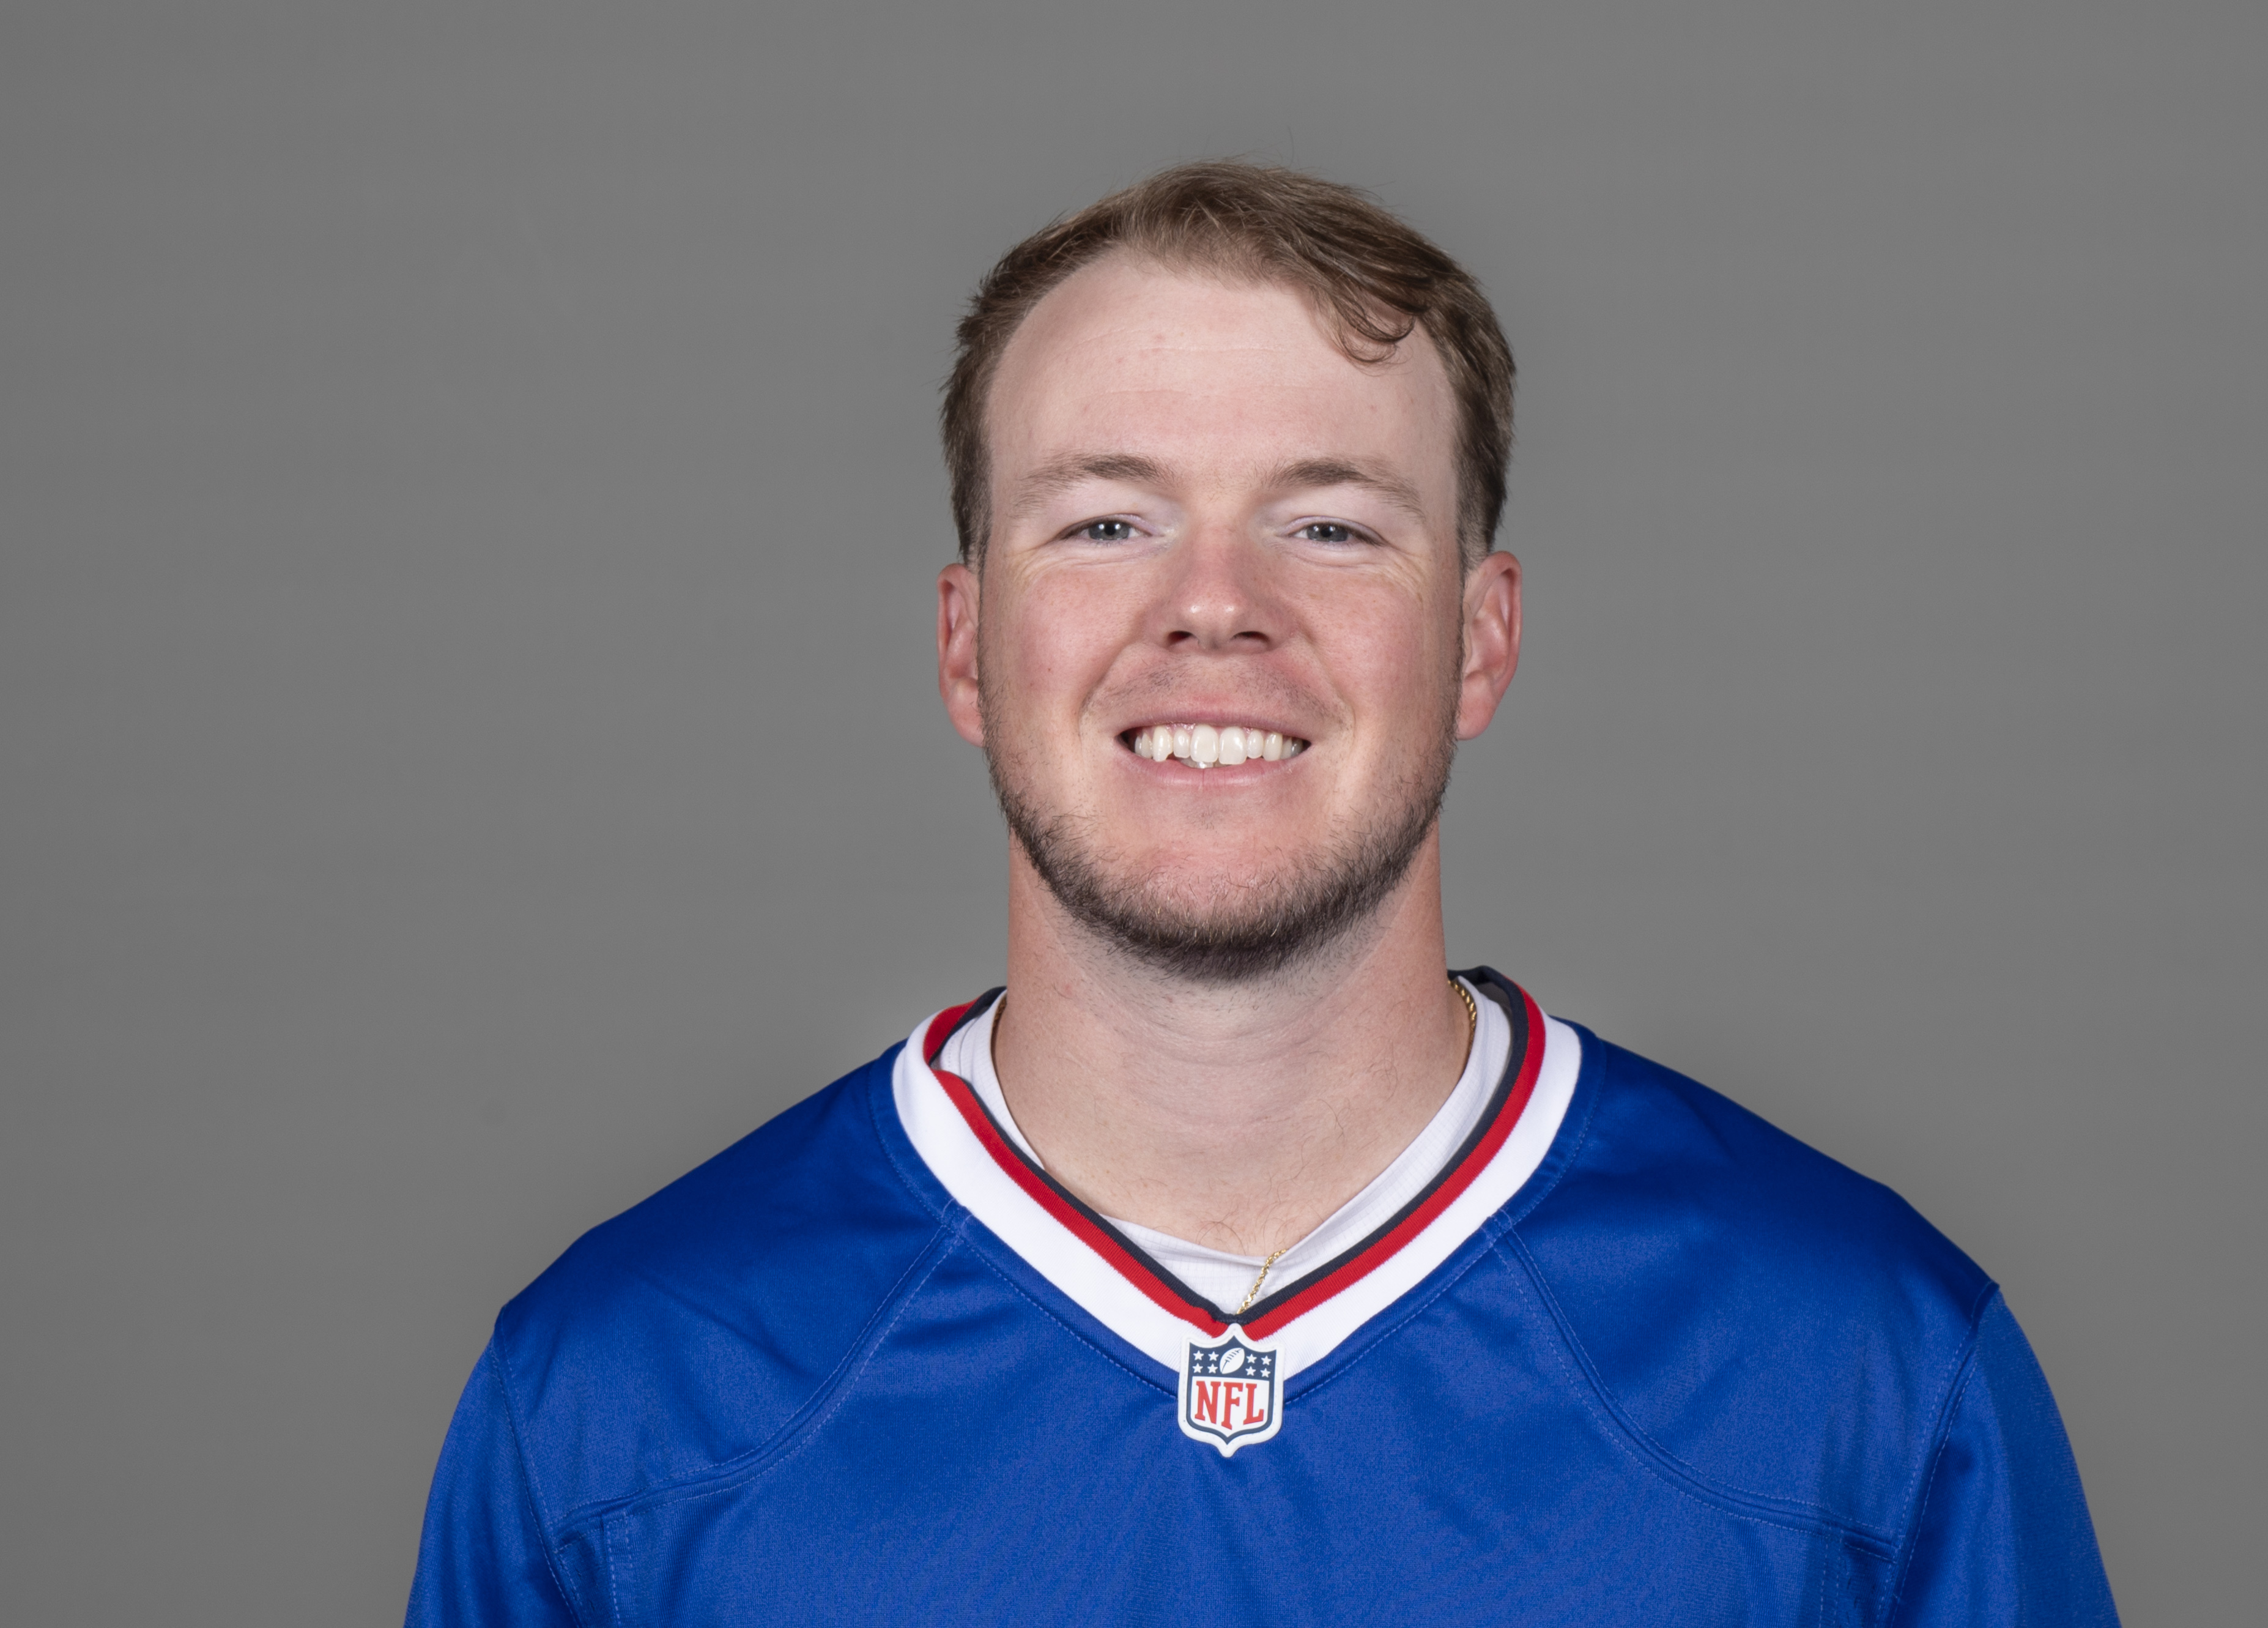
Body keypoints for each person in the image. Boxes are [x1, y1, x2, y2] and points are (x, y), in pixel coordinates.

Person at [406, 162, 2118, 1626]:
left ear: (1483, 637)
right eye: (1103, 525)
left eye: (1330, 528)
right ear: (964, 645)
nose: (1214, 607)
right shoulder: (619, 1398)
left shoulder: (1862, 1373)